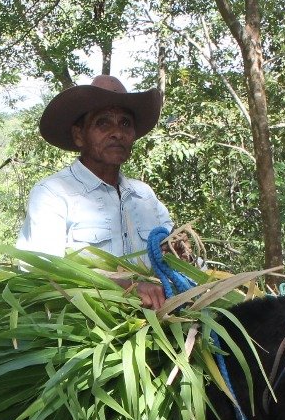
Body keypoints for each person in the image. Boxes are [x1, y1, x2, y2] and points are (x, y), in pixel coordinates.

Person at [16, 75, 173, 309]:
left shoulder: (144, 196)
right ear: (79, 135)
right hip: (87, 331)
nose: (117, 133)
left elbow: (172, 255)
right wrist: (127, 287)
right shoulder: (53, 194)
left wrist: (181, 255)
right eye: (103, 123)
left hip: (158, 326)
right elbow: (42, 270)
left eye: (125, 123)